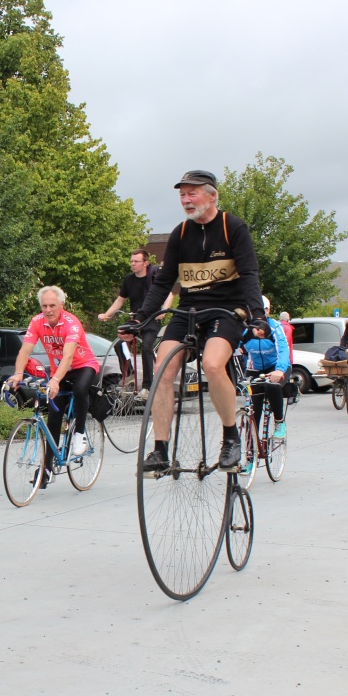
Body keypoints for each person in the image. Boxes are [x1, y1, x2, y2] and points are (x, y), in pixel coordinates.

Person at [129, 169, 266, 473]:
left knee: (213, 365)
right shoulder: (180, 233)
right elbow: (163, 282)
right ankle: (161, 449)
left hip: (226, 310)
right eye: (182, 195)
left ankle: (231, 439)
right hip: (190, 309)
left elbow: (249, 275)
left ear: (212, 196)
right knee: (162, 369)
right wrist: (140, 317)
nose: (186, 200)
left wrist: (258, 315)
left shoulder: (232, 227)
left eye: (192, 193)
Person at [9, 286, 100, 487]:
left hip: (83, 366)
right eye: (44, 306)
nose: (48, 310)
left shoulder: (71, 323)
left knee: (80, 389)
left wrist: (56, 380)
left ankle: (79, 434)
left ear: (61, 305)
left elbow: (68, 356)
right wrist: (18, 373)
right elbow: (24, 351)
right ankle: (47, 469)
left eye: (52, 305)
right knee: (54, 415)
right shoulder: (37, 322)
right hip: (60, 370)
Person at [98, 249, 172, 399]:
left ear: (145, 263)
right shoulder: (129, 279)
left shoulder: (154, 276)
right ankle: (130, 374)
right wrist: (107, 314)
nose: (133, 264)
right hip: (135, 319)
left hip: (152, 319)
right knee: (120, 343)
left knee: (146, 347)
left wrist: (163, 311)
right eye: (131, 261)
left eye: (136, 261)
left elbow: (169, 294)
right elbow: (120, 300)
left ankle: (147, 387)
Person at [239, 296, 291, 444]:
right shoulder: (246, 329)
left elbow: (283, 349)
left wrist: (279, 370)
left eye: (264, 310)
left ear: (268, 311)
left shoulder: (274, 327)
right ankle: (251, 450)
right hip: (255, 368)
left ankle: (279, 422)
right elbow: (233, 345)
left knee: (271, 385)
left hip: (276, 366)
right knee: (253, 410)